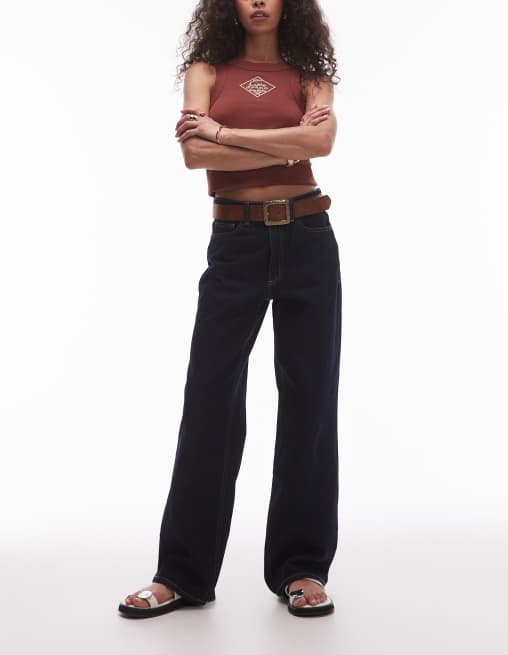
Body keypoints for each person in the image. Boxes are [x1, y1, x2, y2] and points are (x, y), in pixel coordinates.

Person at [118, 0, 341, 619]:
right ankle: (182, 574)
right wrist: (281, 145)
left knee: (309, 402)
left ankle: (302, 568)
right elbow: (195, 157)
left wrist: (223, 133)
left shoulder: (310, 72)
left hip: (309, 239)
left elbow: (321, 143)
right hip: (235, 243)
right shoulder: (206, 71)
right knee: (210, 399)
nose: (259, 1)